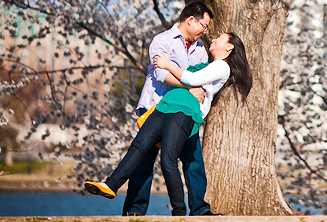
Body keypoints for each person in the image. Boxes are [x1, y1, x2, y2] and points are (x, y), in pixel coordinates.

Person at [84, 32, 253, 216]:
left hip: (184, 111)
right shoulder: (209, 65)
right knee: (138, 147)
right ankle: (110, 185)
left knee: (168, 160)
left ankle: (179, 212)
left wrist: (167, 65)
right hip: (164, 106)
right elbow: (184, 81)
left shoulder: (222, 67)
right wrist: (186, 83)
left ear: (229, 47)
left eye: (220, 39)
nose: (213, 39)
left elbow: (191, 79)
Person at [124, 2, 214, 216]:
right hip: (157, 109)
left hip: (183, 113)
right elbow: (161, 74)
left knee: (194, 161)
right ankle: (134, 212)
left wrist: (194, 86)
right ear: (190, 20)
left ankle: (199, 210)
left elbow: (201, 81)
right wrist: (190, 85)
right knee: (144, 162)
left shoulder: (200, 50)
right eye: (204, 25)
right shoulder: (162, 41)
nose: (205, 30)